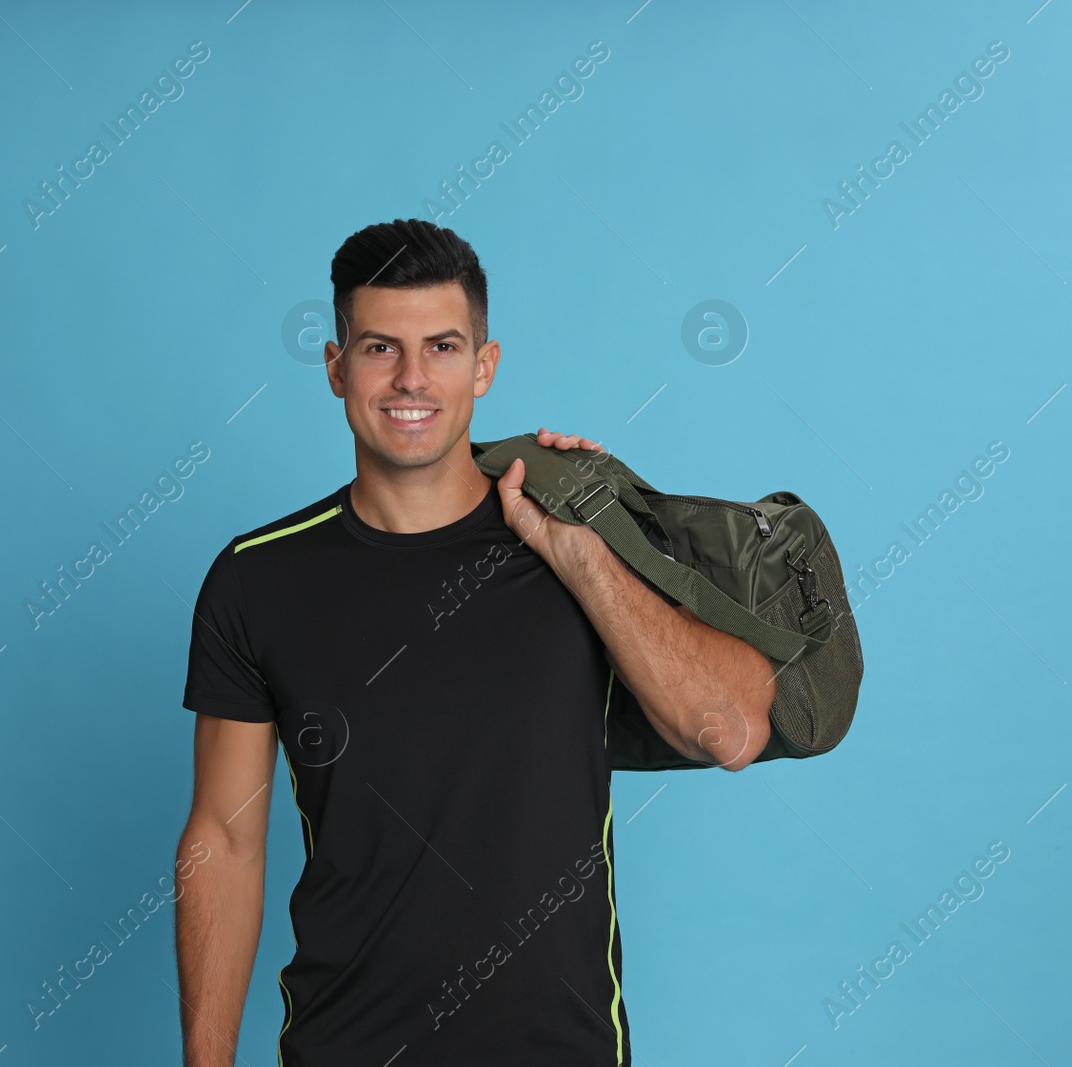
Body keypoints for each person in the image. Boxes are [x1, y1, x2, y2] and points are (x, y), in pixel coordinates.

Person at [173, 218, 776, 1066]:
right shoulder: (256, 579)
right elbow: (225, 838)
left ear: (484, 366)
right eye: (380, 347)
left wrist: (585, 555)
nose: (411, 378)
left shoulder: (579, 550)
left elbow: (733, 729)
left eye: (443, 346)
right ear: (337, 366)